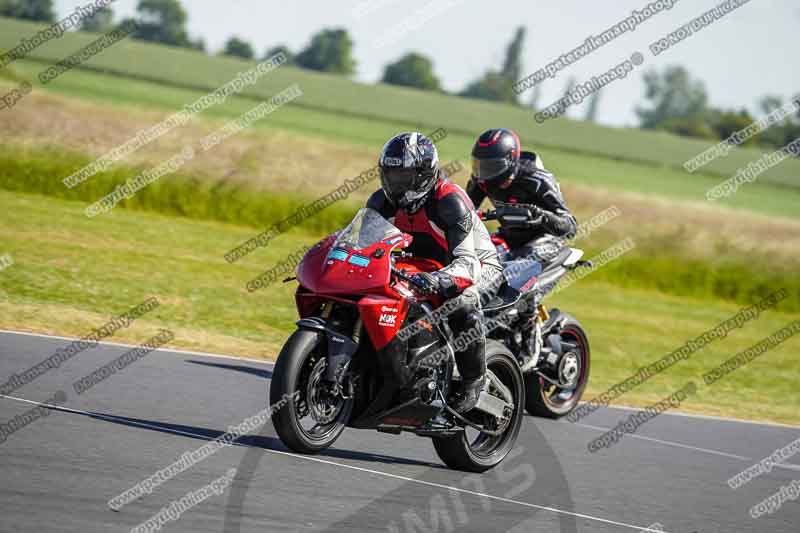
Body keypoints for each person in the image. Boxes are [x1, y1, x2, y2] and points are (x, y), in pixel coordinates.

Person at [366, 132, 502, 413]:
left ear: (423, 175)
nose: (396, 183)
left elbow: (467, 264)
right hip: (420, 266)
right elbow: (363, 244)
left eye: (404, 176)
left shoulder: (449, 202)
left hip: (477, 264)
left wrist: (438, 279)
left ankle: (472, 382)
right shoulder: (382, 202)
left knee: (462, 303)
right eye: (390, 174)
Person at [467, 128, 577, 263]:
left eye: (491, 167)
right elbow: (466, 211)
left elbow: (570, 227)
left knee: (519, 262)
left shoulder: (537, 179)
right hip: (508, 236)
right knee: (472, 255)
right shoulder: (480, 180)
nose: (484, 174)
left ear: (511, 161)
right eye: (480, 166)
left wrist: (542, 216)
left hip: (545, 239)